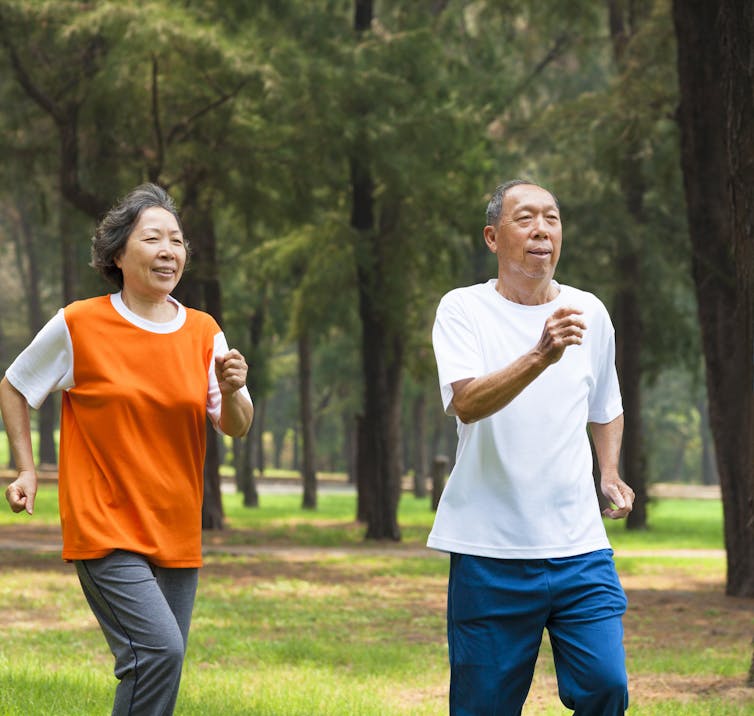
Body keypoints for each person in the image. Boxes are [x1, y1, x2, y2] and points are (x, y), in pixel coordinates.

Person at [0, 183, 253, 715]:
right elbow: (16, 384)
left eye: (178, 241)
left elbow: (237, 425)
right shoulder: (80, 323)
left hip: (175, 527)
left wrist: (231, 392)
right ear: (118, 253)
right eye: (153, 238)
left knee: (161, 664)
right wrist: (26, 469)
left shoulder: (206, 332)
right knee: (159, 653)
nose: (169, 250)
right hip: (105, 525)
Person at [429, 179, 634, 715]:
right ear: (493, 237)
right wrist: (539, 355)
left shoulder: (589, 311)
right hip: (489, 551)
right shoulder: (462, 309)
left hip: (580, 548)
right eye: (525, 218)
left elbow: (606, 403)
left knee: (606, 685)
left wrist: (609, 471)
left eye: (552, 218)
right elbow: (468, 401)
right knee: (483, 707)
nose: (542, 229)